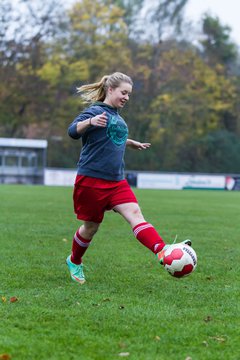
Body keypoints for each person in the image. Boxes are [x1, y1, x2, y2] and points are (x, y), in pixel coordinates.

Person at [66, 72, 191, 284]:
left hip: (116, 181)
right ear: (110, 90)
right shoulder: (95, 111)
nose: (126, 97)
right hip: (91, 180)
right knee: (91, 227)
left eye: (129, 94)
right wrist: (90, 122)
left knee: (135, 214)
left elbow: (112, 136)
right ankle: (75, 261)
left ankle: (162, 250)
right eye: (124, 92)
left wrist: (131, 142)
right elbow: (72, 131)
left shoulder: (118, 117)